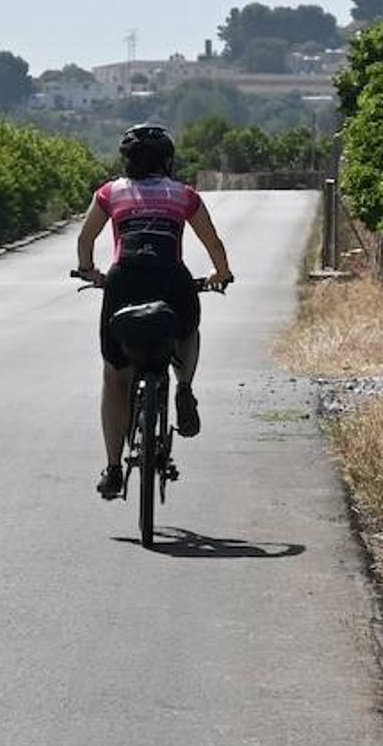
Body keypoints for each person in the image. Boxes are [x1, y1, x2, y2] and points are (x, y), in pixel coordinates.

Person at [74, 124, 234, 500]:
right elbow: (212, 242)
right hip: (170, 281)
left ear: (126, 160)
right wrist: (221, 275)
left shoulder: (109, 193)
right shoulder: (184, 195)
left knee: (115, 377)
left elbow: (86, 239)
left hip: (124, 282)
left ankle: (113, 469)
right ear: (168, 160)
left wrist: (89, 271)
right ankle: (184, 388)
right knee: (188, 328)